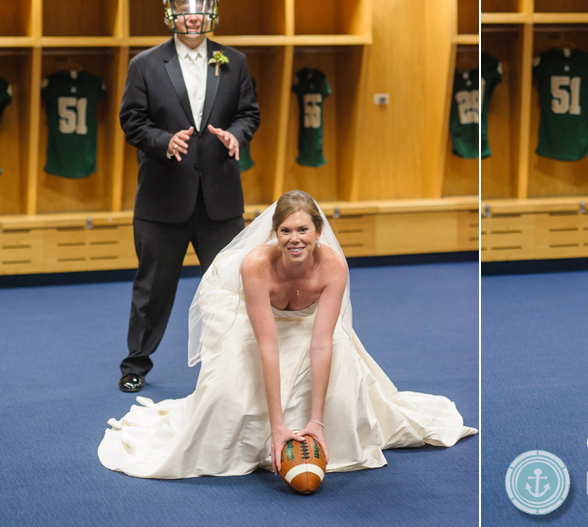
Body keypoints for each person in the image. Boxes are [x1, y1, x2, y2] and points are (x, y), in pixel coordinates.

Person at [98, 191, 476, 478]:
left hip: (306, 318)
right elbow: (268, 344)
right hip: (233, 301)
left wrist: (317, 422)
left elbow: (321, 341)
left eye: (303, 230)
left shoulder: (333, 267)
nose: (295, 239)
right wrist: (277, 426)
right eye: (285, 231)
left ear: (319, 231)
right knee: (229, 389)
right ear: (274, 232)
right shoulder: (255, 265)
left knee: (344, 374)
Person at [117, 0, 260, 393]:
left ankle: (236, 362)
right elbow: (131, 121)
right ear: (171, 12)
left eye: (200, 7)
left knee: (233, 284)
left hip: (220, 200)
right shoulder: (144, 64)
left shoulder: (234, 61)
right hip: (163, 200)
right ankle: (135, 365)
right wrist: (163, 141)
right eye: (184, 7)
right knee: (153, 289)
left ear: (211, 11)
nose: (193, 16)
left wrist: (238, 134)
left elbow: (249, 112)